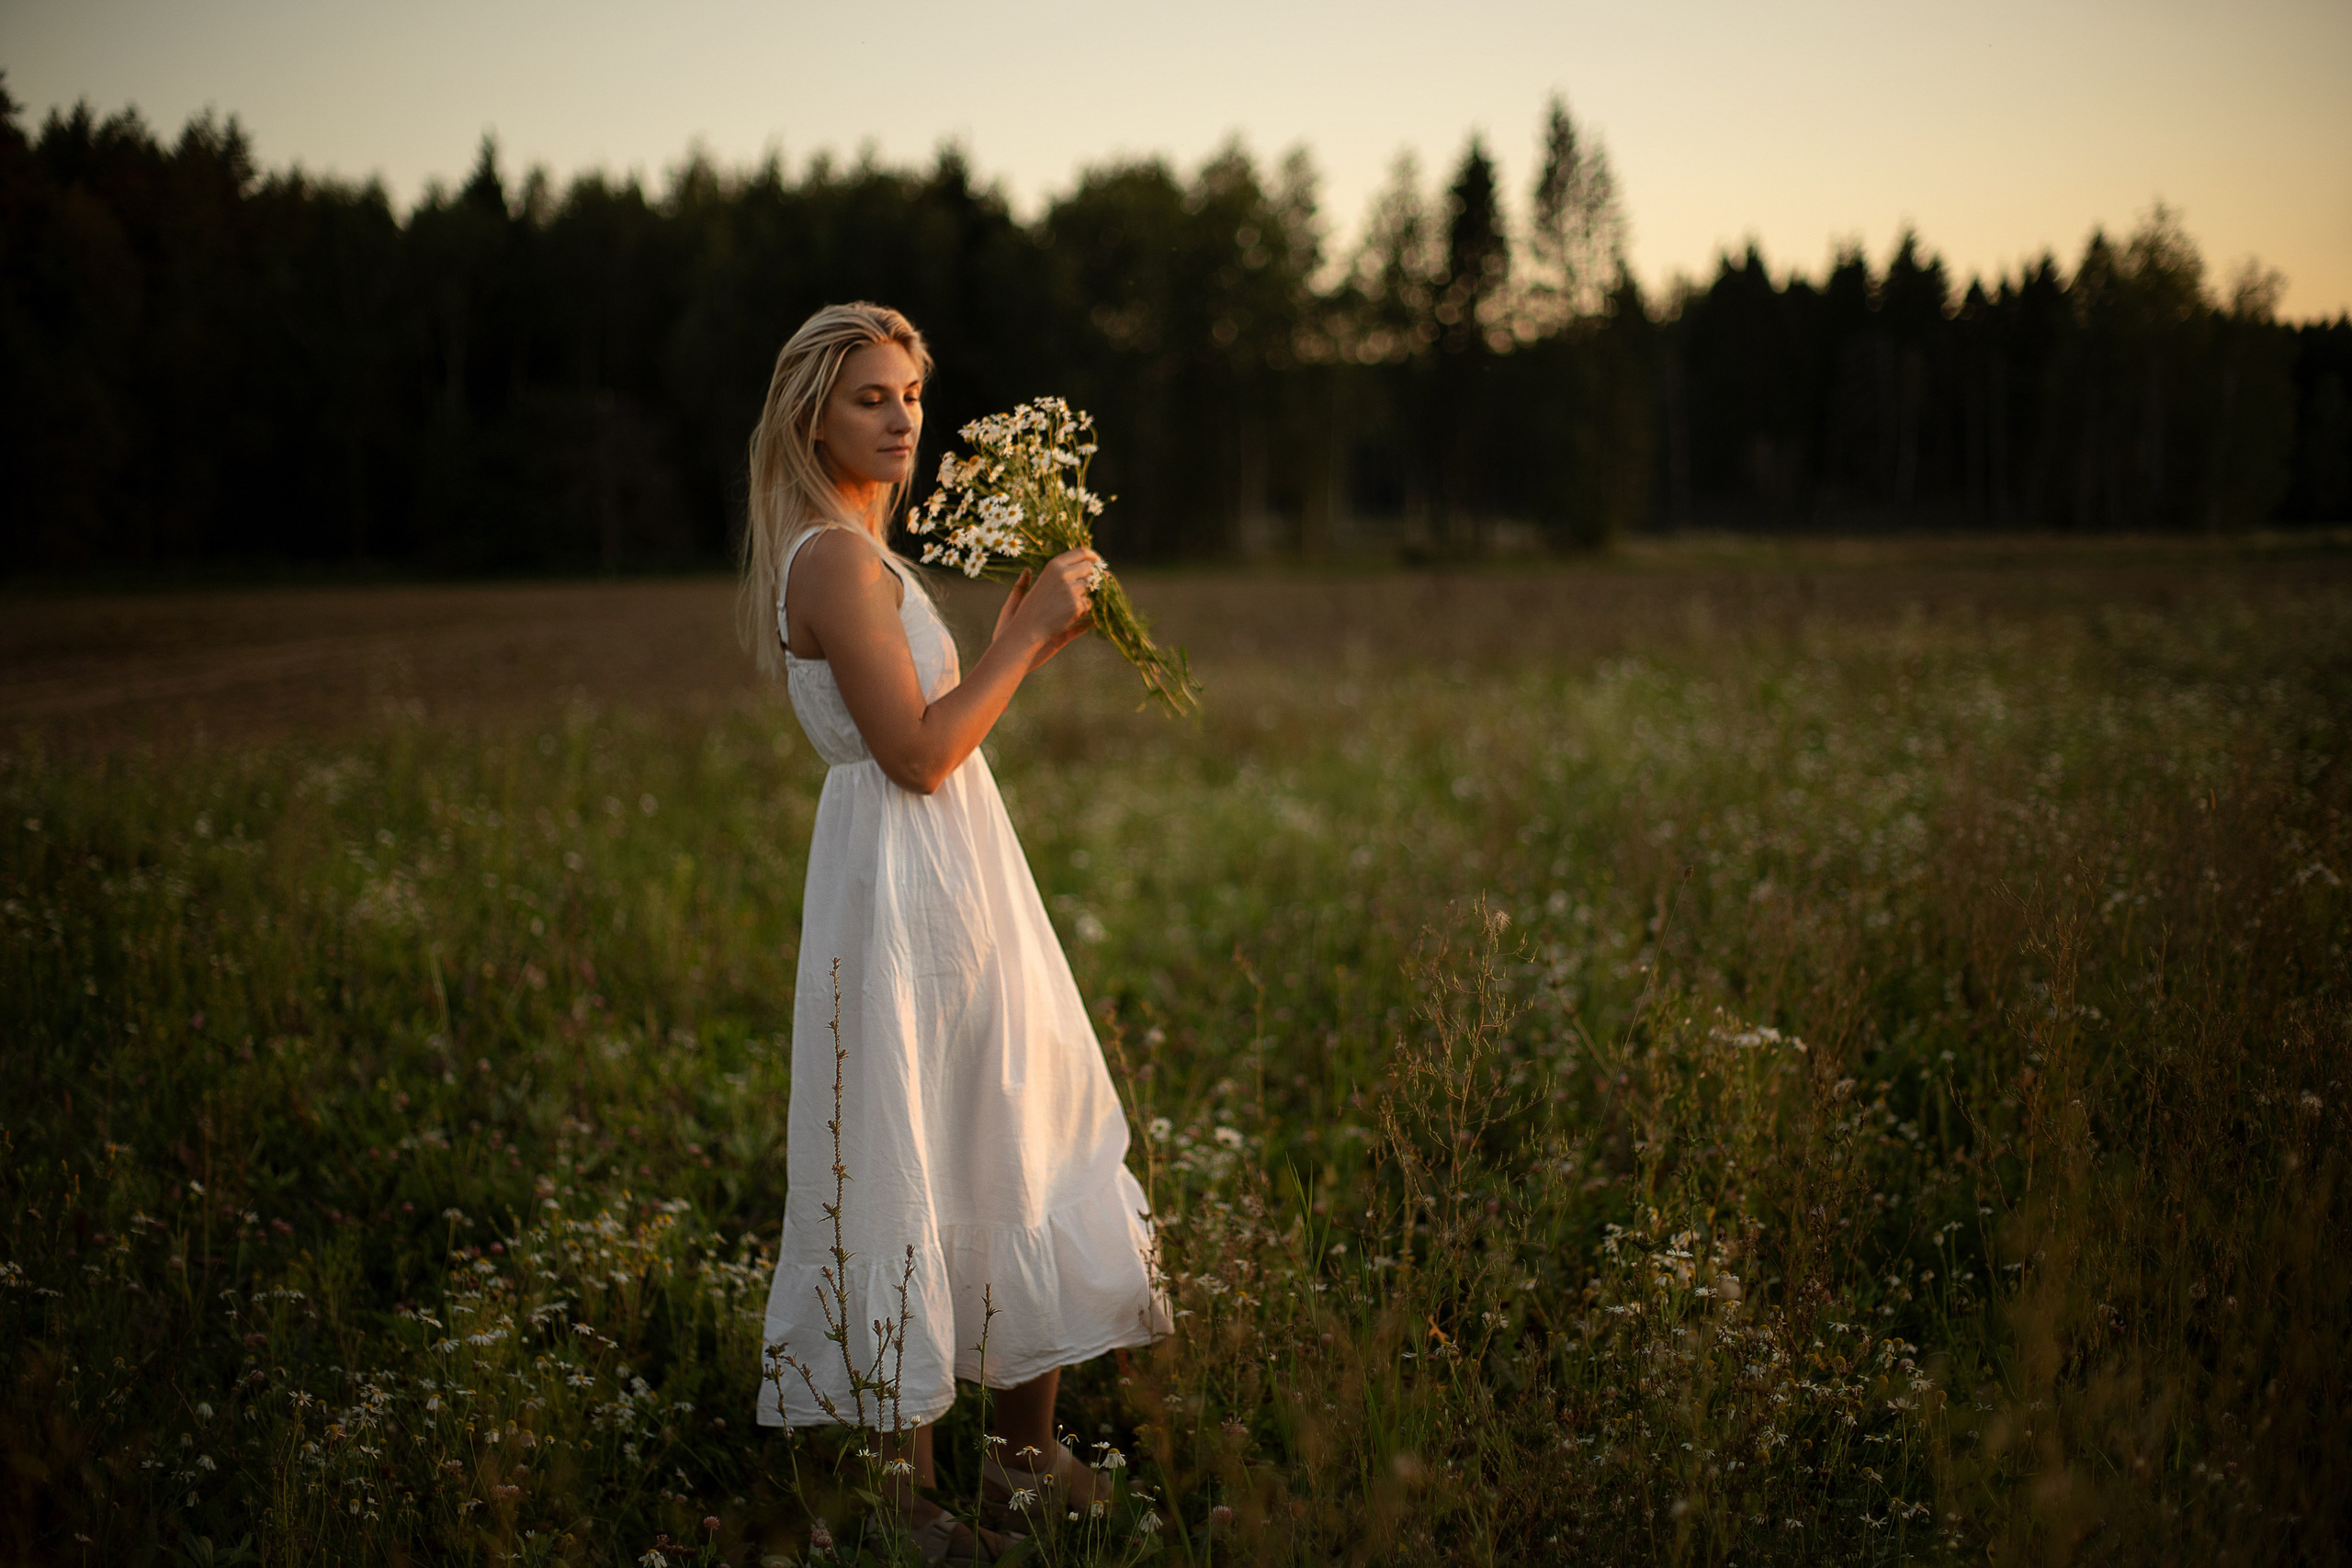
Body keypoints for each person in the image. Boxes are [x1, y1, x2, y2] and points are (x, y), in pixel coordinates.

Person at [740, 302, 1170, 1561]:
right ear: (810, 411)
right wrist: (1026, 641)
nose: (902, 419)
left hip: (955, 879)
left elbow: (936, 737)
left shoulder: (868, 556)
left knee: (1009, 1122)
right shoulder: (830, 559)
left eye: (912, 397)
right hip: (905, 889)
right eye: (872, 397)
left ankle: (1022, 1461)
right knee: (912, 1145)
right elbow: (920, 754)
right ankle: (906, 1500)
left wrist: (1002, 641)